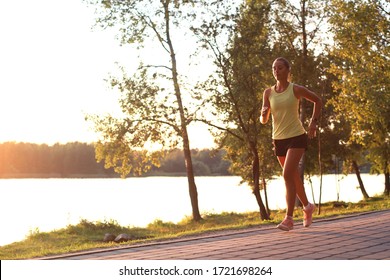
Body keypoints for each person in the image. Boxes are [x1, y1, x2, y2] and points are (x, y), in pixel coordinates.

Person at [260, 57, 322, 231]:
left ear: (288, 70)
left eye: (280, 68)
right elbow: (263, 120)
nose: (276, 71)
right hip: (278, 139)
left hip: (296, 136)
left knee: (287, 174)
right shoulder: (268, 93)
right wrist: (264, 113)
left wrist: (313, 122)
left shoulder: (295, 89)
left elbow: (317, 100)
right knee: (293, 176)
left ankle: (288, 218)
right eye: (274, 68)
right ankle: (308, 206)